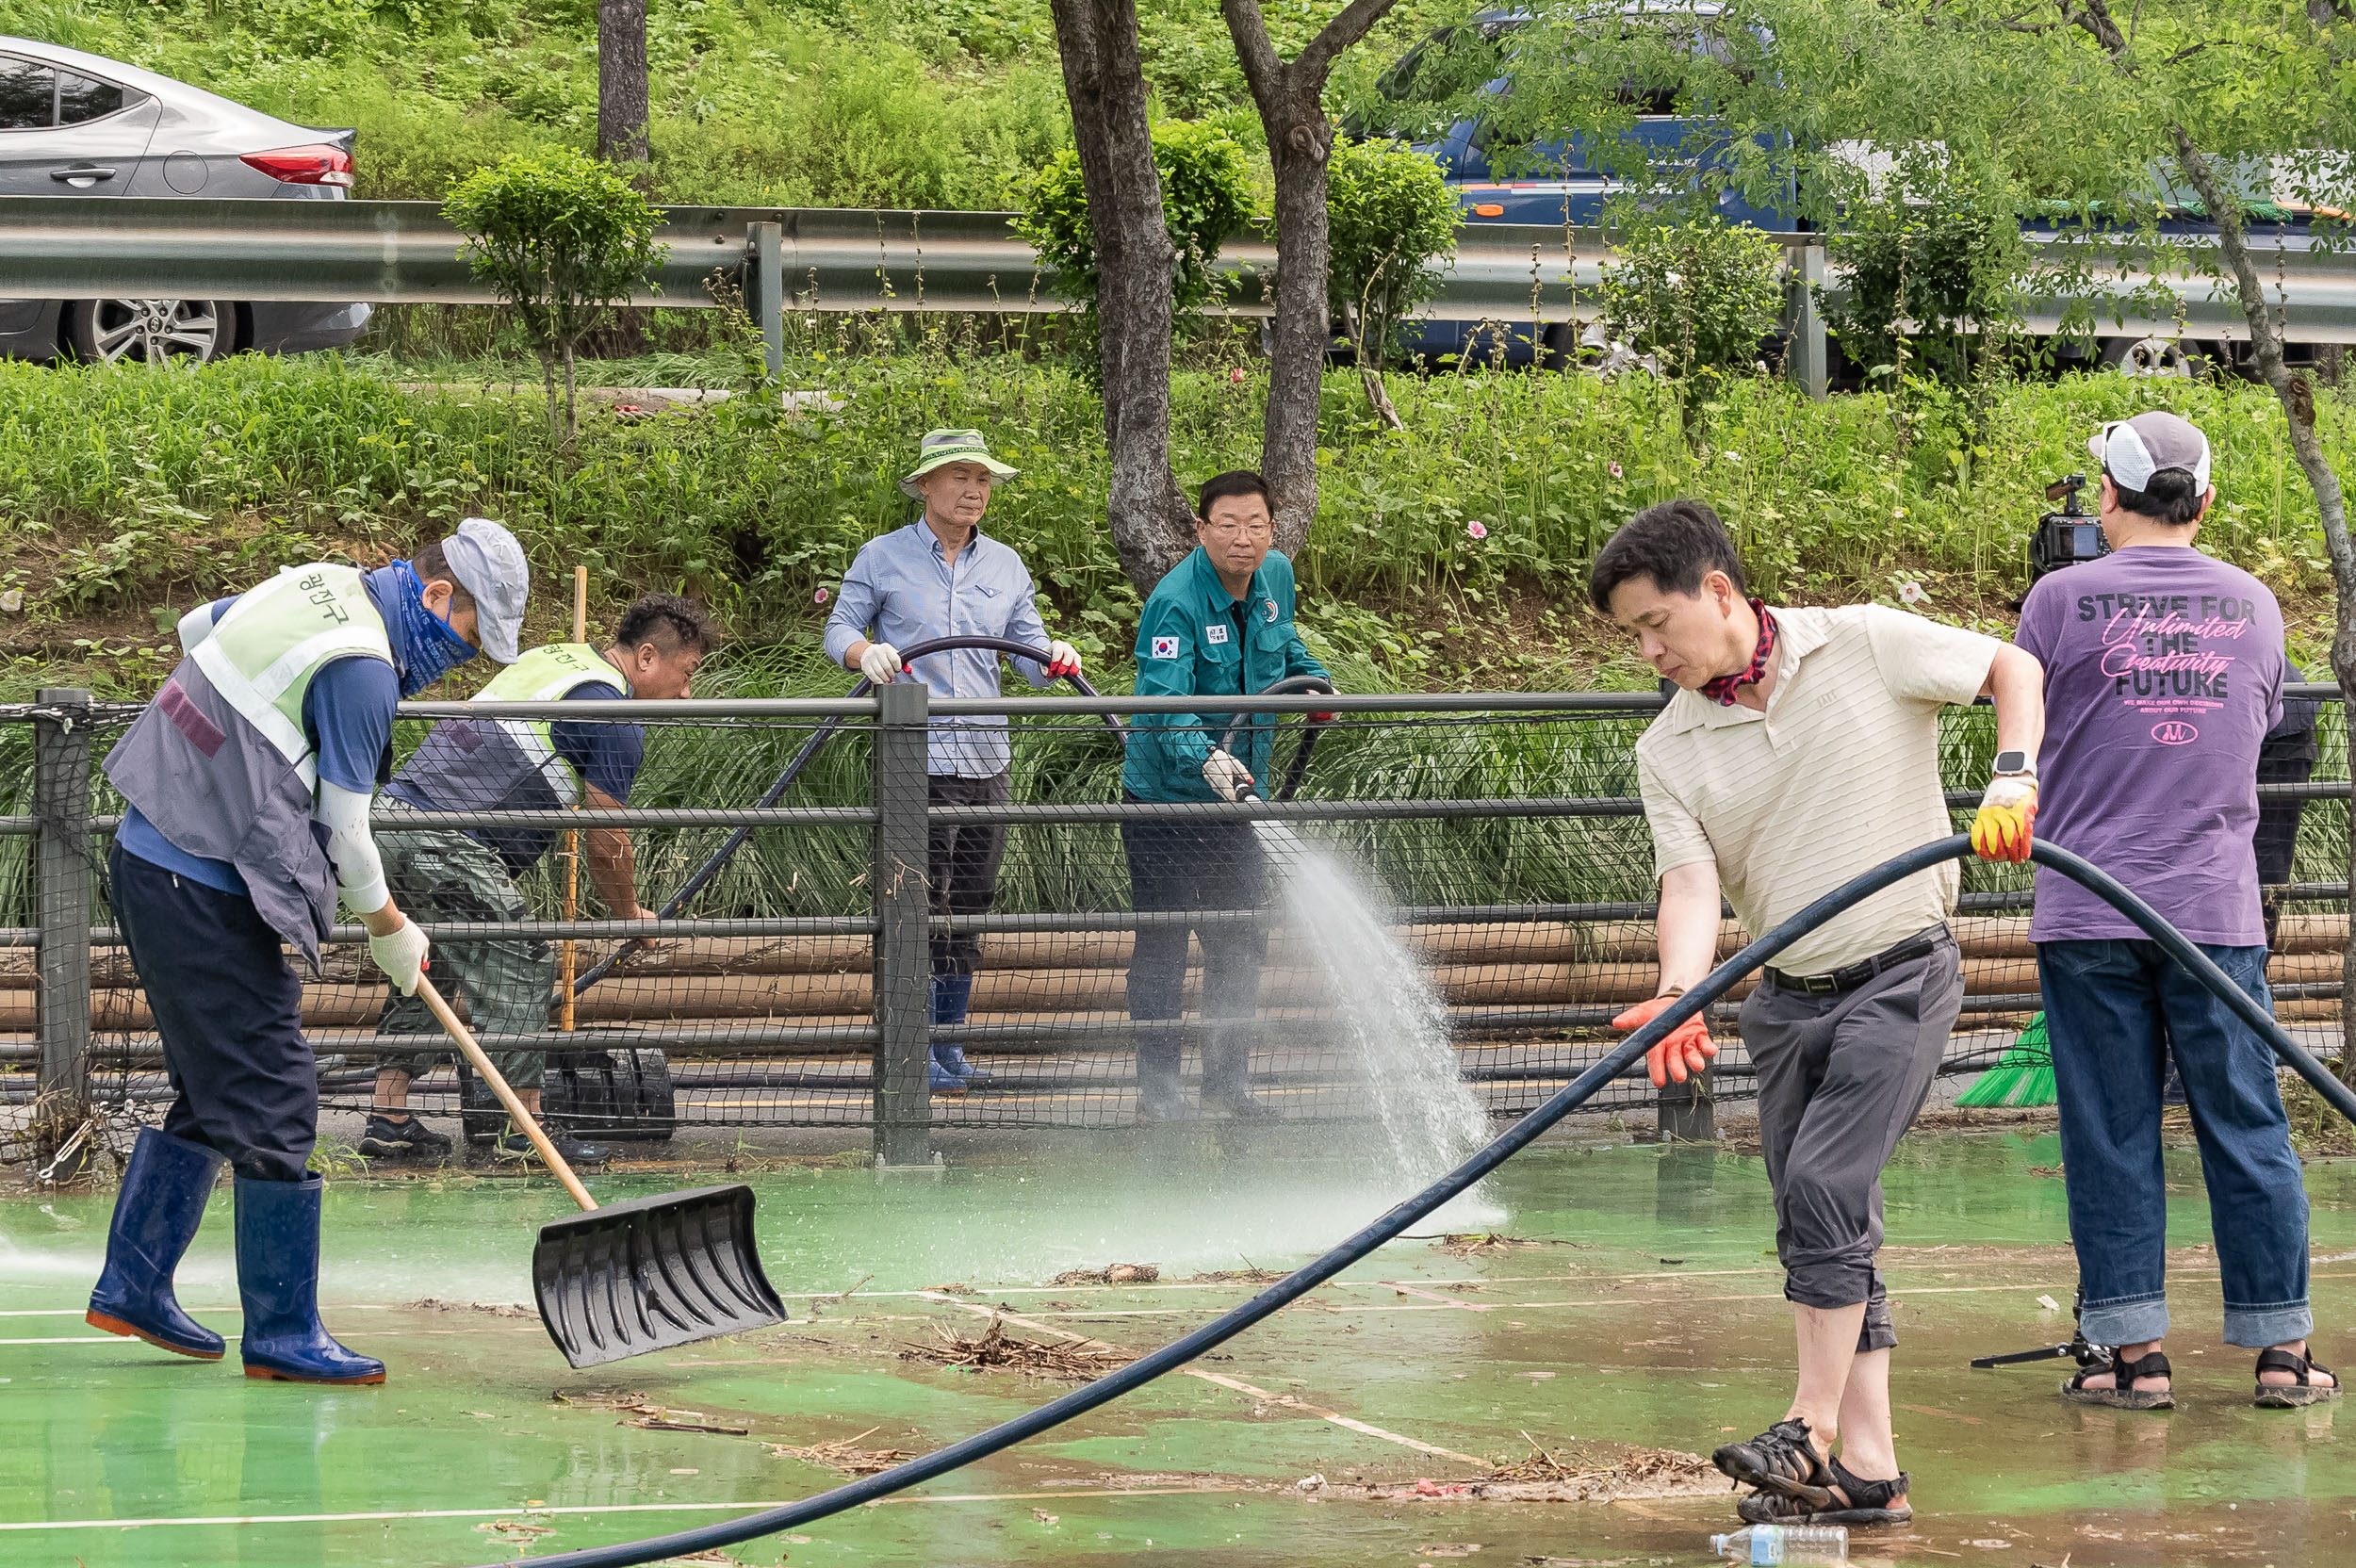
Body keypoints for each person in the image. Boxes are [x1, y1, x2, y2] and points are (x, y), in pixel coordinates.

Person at [1594, 498, 2043, 1525]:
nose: (1649, 650)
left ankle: (1808, 1426)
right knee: (1819, 1218)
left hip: (1900, 972)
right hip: (1786, 1001)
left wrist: (2012, 776)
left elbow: (2012, 668)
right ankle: (1870, 1474)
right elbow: (1691, 885)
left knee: (1826, 1184)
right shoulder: (1669, 747)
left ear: (1718, 590)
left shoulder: (1866, 641)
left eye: (1656, 623)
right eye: (1632, 635)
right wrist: (1679, 991)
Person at [85, 520, 530, 1386]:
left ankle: (133, 1286)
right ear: (438, 594)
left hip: (154, 854)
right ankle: (284, 1334)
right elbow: (349, 836)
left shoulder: (319, 585)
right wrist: (392, 930)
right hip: (197, 879)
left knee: (221, 1087)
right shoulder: (363, 669)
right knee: (280, 1092)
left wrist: (227, 756)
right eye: (469, 636)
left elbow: (198, 629)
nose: (461, 659)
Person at [2016, 412, 2336, 1410]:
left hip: (2088, 905)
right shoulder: (2255, 602)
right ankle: (2282, 1352)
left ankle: (2134, 1358)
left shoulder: (2055, 600)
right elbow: (2264, 718)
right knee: (2245, 1120)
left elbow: (2023, 718)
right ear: (2204, 500)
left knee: (2110, 1130)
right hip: (2214, 910)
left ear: (2107, 496)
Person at [358, 593, 717, 1164]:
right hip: (448, 841)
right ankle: (522, 1133)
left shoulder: (559, 658)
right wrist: (629, 914)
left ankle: (389, 1115)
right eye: (688, 673)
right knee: (525, 962)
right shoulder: (615, 716)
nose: (686, 693)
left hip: (393, 820)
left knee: (432, 958)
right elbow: (606, 839)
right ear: (648, 657)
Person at [824, 429, 1080, 1095]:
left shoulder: (1006, 565)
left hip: (987, 759)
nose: (974, 490)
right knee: (917, 902)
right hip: (917, 757)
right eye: (960, 476)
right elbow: (838, 629)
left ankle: (949, 1044)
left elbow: (1030, 660)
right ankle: (912, 1049)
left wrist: (1057, 655)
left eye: (983, 479)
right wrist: (865, 653)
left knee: (969, 902)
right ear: (925, 485)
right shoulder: (882, 556)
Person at [1121, 470, 1333, 1121]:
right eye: (1229, 525)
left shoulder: (1276, 576)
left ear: (1273, 529)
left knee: (1239, 940)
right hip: (1166, 803)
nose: (1244, 539)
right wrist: (1207, 757)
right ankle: (1159, 1089)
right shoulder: (1174, 602)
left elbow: (1286, 642)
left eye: (1256, 525)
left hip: (1240, 801)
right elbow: (1162, 705)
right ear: (1201, 529)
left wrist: (1315, 682)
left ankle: (1226, 1082)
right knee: (1164, 943)